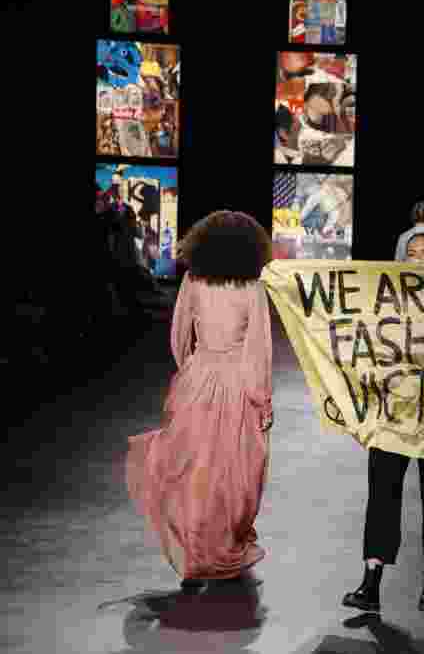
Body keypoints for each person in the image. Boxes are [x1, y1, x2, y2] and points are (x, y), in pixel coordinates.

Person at [124, 211, 274, 595]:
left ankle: (193, 556)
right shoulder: (253, 289)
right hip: (238, 383)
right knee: (234, 474)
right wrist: (263, 401)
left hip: (198, 378)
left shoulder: (193, 280)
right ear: (251, 248)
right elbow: (259, 349)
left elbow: (178, 334)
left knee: (193, 469)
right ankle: (224, 546)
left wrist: (191, 367)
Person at [342, 227, 424, 615]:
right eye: (413, 253)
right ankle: (371, 583)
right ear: (402, 258)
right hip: (392, 415)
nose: (421, 259)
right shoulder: (385, 304)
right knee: (382, 497)